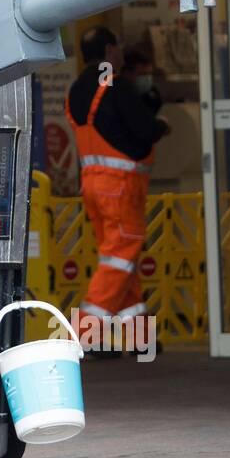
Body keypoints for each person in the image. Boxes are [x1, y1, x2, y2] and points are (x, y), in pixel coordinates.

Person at [65, 25, 169, 355]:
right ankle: (83, 337)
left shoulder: (77, 89)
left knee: (120, 259)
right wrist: (160, 123)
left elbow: (114, 127)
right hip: (119, 189)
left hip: (93, 187)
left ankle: (141, 340)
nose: (122, 52)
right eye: (119, 46)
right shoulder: (114, 84)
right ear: (110, 50)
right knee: (120, 259)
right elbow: (144, 130)